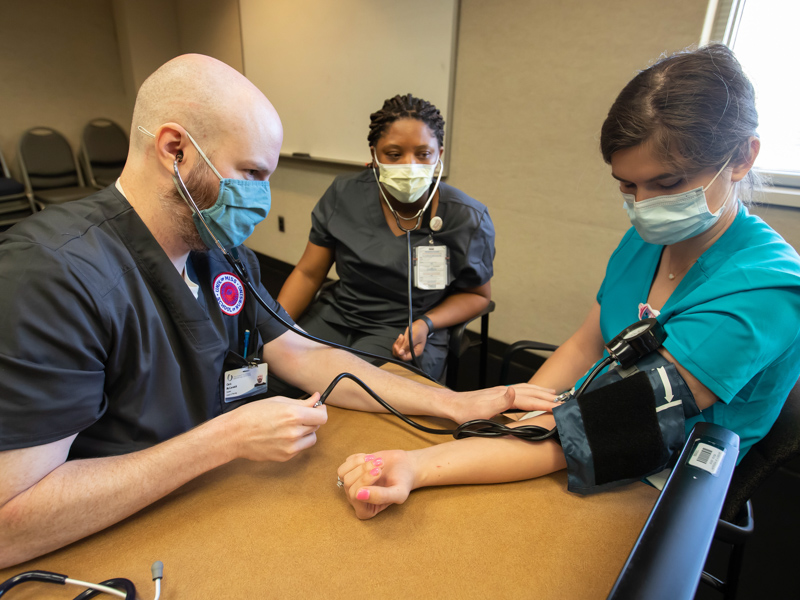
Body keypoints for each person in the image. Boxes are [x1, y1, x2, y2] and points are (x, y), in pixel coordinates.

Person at [0, 56, 556, 568]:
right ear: (175, 149)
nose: (262, 200)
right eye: (252, 174)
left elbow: (300, 349)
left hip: (207, 503)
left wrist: (455, 403)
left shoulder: (215, 247)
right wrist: (224, 440)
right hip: (107, 545)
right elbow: (11, 524)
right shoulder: (52, 276)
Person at [337, 44, 800, 519]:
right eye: (627, 185)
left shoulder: (764, 290)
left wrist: (421, 466)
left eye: (665, 185)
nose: (643, 205)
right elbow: (586, 344)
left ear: (742, 157)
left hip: (661, 470)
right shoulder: (647, 239)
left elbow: (612, 424)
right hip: (584, 417)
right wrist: (511, 418)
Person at [277, 94, 495, 379]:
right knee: (272, 372)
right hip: (336, 315)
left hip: (403, 329)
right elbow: (308, 273)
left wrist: (427, 323)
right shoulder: (345, 193)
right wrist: (274, 327)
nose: (409, 165)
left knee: (349, 392)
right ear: (374, 155)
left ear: (439, 154)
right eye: (394, 154)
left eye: (423, 153)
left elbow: (477, 295)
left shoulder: (466, 216)